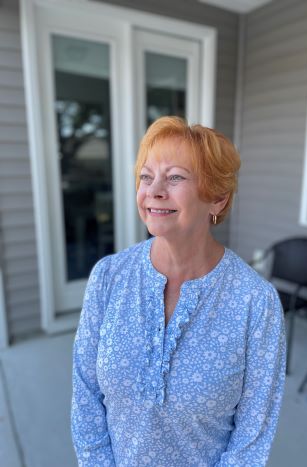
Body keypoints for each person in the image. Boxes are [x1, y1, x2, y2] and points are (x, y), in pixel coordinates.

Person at [71, 116, 286, 467]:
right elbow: (86, 396)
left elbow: (253, 436)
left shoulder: (255, 302)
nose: (154, 190)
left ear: (217, 198)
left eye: (174, 177)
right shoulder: (108, 277)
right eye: (146, 176)